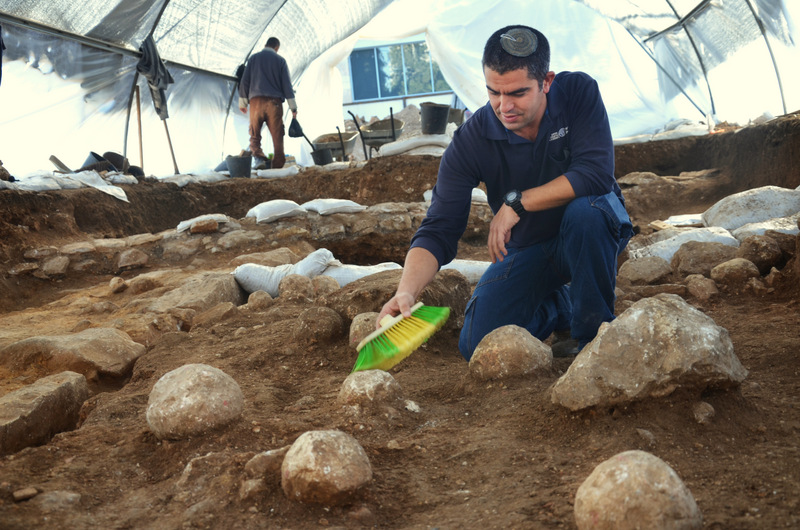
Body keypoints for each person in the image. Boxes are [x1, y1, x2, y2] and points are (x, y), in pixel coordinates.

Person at [377, 25, 633, 360]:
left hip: (592, 231)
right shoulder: (472, 141)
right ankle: (561, 305)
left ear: (546, 82)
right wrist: (406, 291)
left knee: (585, 214)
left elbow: (596, 175)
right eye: (493, 92)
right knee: (478, 344)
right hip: (533, 248)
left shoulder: (577, 92)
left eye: (517, 93)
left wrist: (517, 203)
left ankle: (593, 338)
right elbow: (439, 227)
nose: (504, 106)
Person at [239, 37, 297, 169]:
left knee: (254, 134)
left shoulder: (253, 59)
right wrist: (293, 107)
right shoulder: (281, 61)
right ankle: (276, 167)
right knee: (277, 136)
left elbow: (245, 81)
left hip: (256, 103)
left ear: (265, 45)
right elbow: (287, 86)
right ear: (276, 48)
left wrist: (242, 103)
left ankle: (259, 159)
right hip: (274, 104)